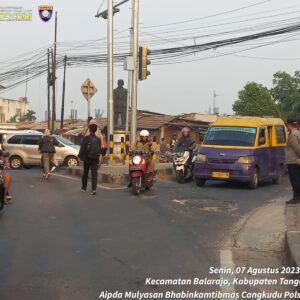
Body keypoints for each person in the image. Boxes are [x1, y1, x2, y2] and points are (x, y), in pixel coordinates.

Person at [78, 123, 101, 195]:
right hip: (95, 158)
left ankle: (84, 188)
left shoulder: (86, 138)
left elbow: (82, 148)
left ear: (90, 130)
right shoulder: (98, 139)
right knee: (94, 174)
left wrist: (79, 156)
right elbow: (99, 149)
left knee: (85, 173)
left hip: (87, 158)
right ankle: (94, 189)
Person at [286, 118, 300, 204]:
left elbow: (297, 148)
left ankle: (296, 197)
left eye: (287, 125)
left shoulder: (293, 135)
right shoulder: (297, 133)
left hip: (293, 161)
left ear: (289, 125)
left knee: (295, 179)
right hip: (295, 160)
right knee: (297, 178)